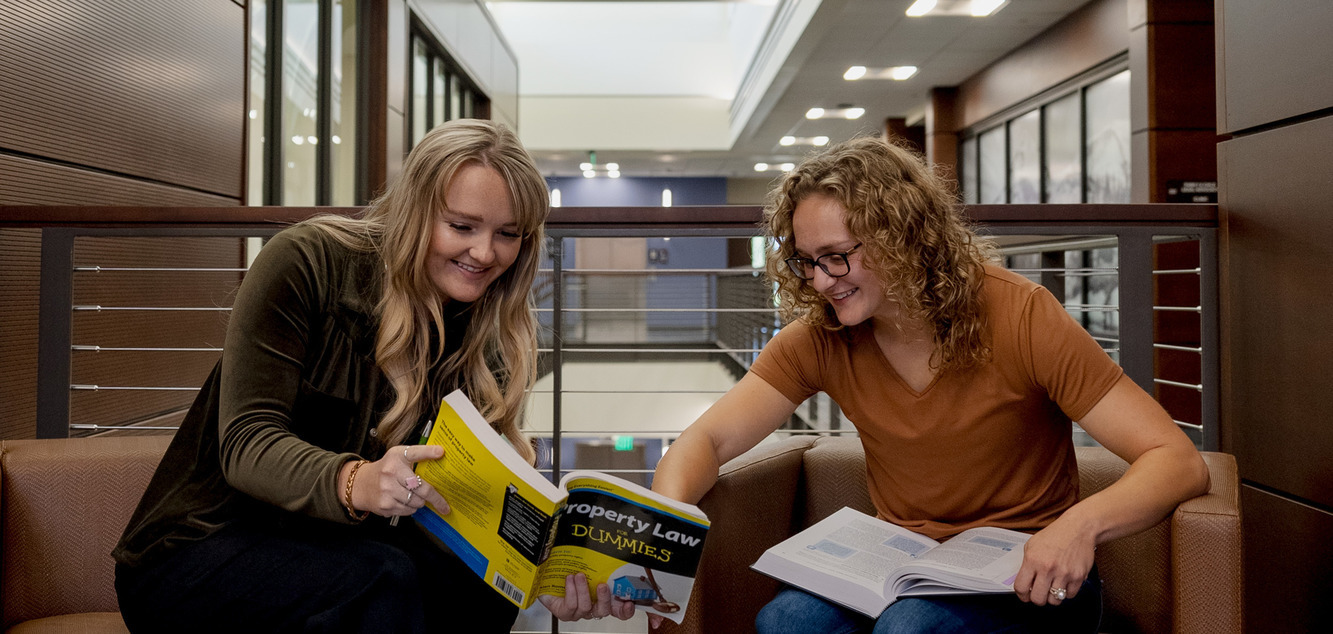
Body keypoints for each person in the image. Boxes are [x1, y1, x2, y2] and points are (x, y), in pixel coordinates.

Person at [648, 136, 1211, 633]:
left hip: (1035, 578)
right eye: (806, 262)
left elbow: (1176, 460)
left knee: (910, 628)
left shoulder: (1023, 316)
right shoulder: (821, 337)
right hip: (905, 565)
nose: (820, 281)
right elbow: (707, 441)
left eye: (836, 258)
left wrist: (1078, 527)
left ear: (901, 235)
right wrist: (657, 543)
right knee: (785, 621)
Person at [113, 119, 628, 632]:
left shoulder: (485, 338)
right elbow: (248, 443)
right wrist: (357, 481)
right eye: (461, 227)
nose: (485, 253)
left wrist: (538, 575)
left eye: (508, 234)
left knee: (478, 592)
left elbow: (458, 507)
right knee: (383, 579)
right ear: (415, 211)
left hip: (338, 546)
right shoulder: (307, 261)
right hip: (198, 549)